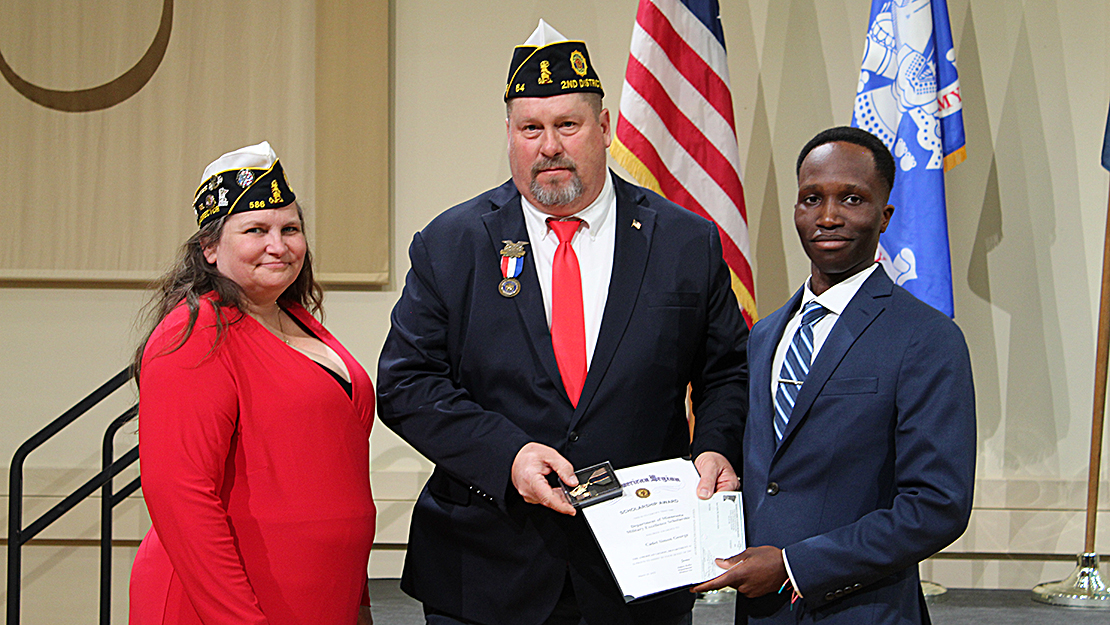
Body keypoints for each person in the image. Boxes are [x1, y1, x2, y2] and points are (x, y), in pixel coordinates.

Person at [376, 19, 749, 625]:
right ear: (509, 135)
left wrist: (715, 446)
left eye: (567, 125)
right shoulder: (452, 243)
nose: (548, 146)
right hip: (487, 570)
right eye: (531, 128)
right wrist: (508, 456)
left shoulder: (685, 242)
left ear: (605, 127)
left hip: (639, 572)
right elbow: (406, 384)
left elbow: (728, 372)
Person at [692, 126, 975, 624]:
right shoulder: (765, 334)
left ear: (884, 216)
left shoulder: (927, 338)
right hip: (761, 613)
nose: (827, 216)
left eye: (852, 199)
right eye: (811, 199)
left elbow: (936, 506)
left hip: (864, 611)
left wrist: (795, 566)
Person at [128, 142, 376, 625]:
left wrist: (357, 601)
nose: (278, 245)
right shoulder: (194, 334)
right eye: (256, 230)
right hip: (228, 604)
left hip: (321, 598)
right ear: (210, 248)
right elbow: (180, 496)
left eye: (290, 229)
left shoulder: (298, 320)